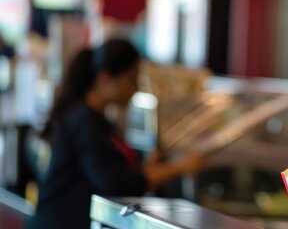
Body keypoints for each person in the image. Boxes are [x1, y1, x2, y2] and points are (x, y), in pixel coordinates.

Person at [26, 38, 204, 229]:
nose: (136, 88)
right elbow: (117, 184)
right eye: (131, 79)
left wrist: (151, 166)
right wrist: (181, 166)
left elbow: (115, 173)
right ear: (105, 78)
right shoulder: (85, 122)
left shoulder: (95, 120)